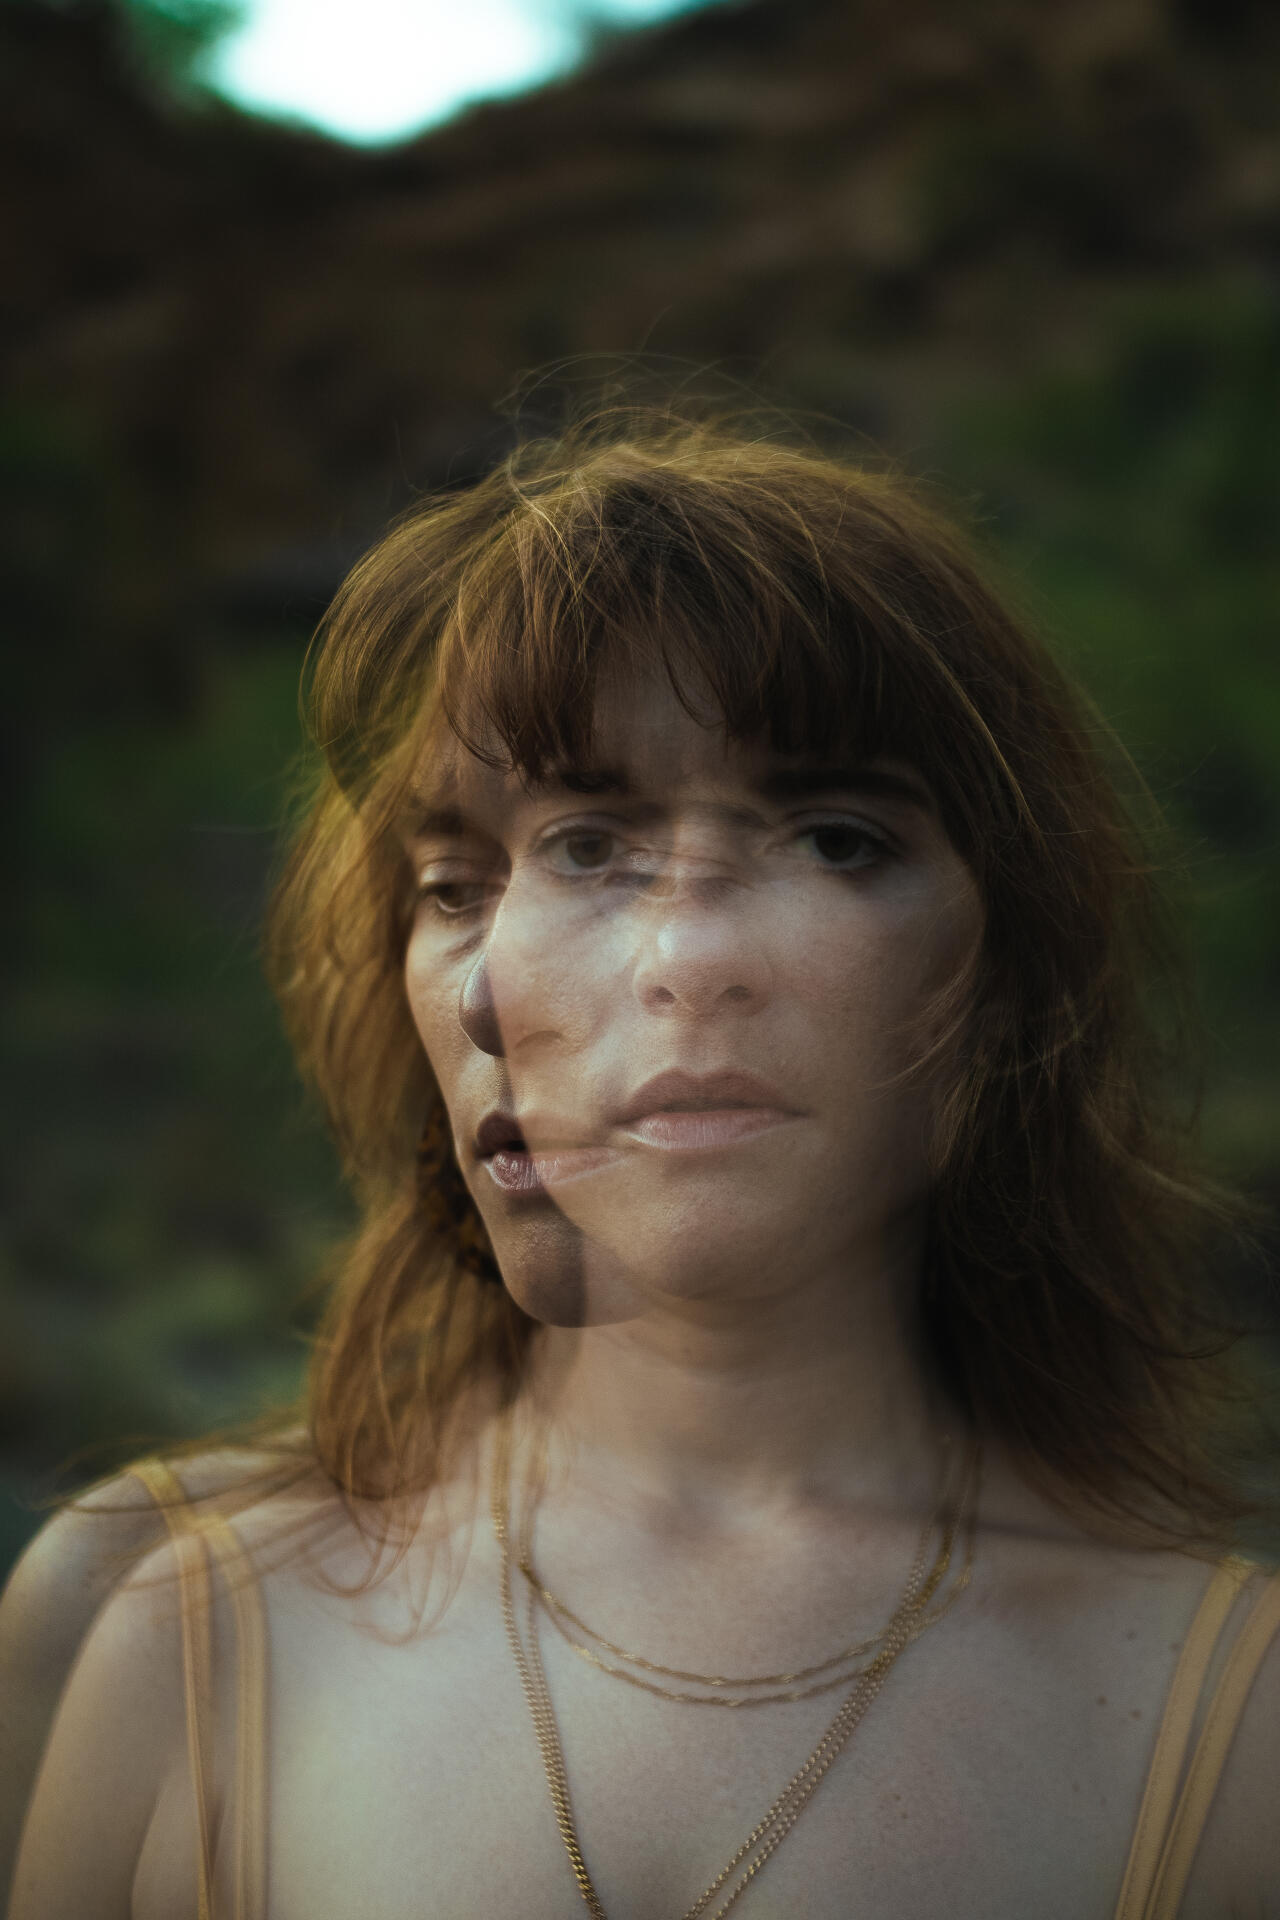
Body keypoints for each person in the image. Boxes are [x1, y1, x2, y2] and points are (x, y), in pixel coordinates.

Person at [4, 407, 1279, 1920]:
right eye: (465, 881)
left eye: (833, 838)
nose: (664, 961)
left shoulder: (1233, 1723)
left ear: (1008, 970)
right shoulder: (148, 1622)